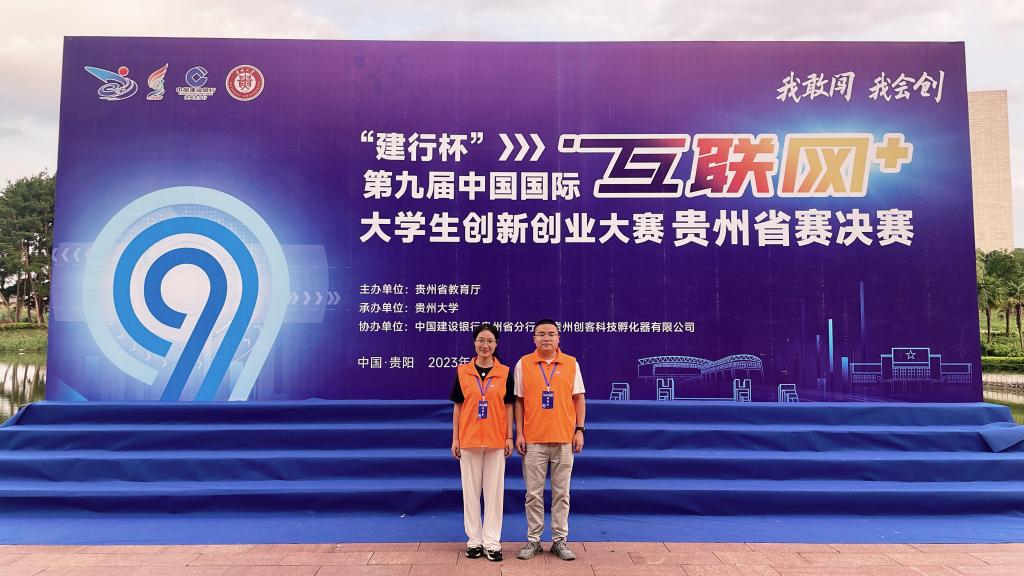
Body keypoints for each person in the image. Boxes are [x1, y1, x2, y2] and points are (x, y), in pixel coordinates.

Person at [514, 319, 586, 561]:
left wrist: (580, 430)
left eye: (551, 334)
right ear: (533, 338)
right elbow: (519, 401)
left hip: (564, 439)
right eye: (541, 334)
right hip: (533, 440)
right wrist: (519, 433)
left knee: (561, 494)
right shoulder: (523, 363)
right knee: (533, 494)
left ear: (558, 338)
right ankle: (533, 540)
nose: (546, 338)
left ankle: (559, 540)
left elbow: (579, 398)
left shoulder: (571, 363)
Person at [450, 323, 515, 562]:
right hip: (468, 439)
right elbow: (458, 407)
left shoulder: (505, 373)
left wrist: (509, 436)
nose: (485, 345)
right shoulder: (463, 372)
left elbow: (509, 406)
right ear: (474, 342)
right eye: (481, 340)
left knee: (494, 493)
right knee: (470, 492)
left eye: (490, 341)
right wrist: (455, 438)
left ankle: (492, 542)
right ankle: (474, 541)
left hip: (496, 440)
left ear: (496, 344)